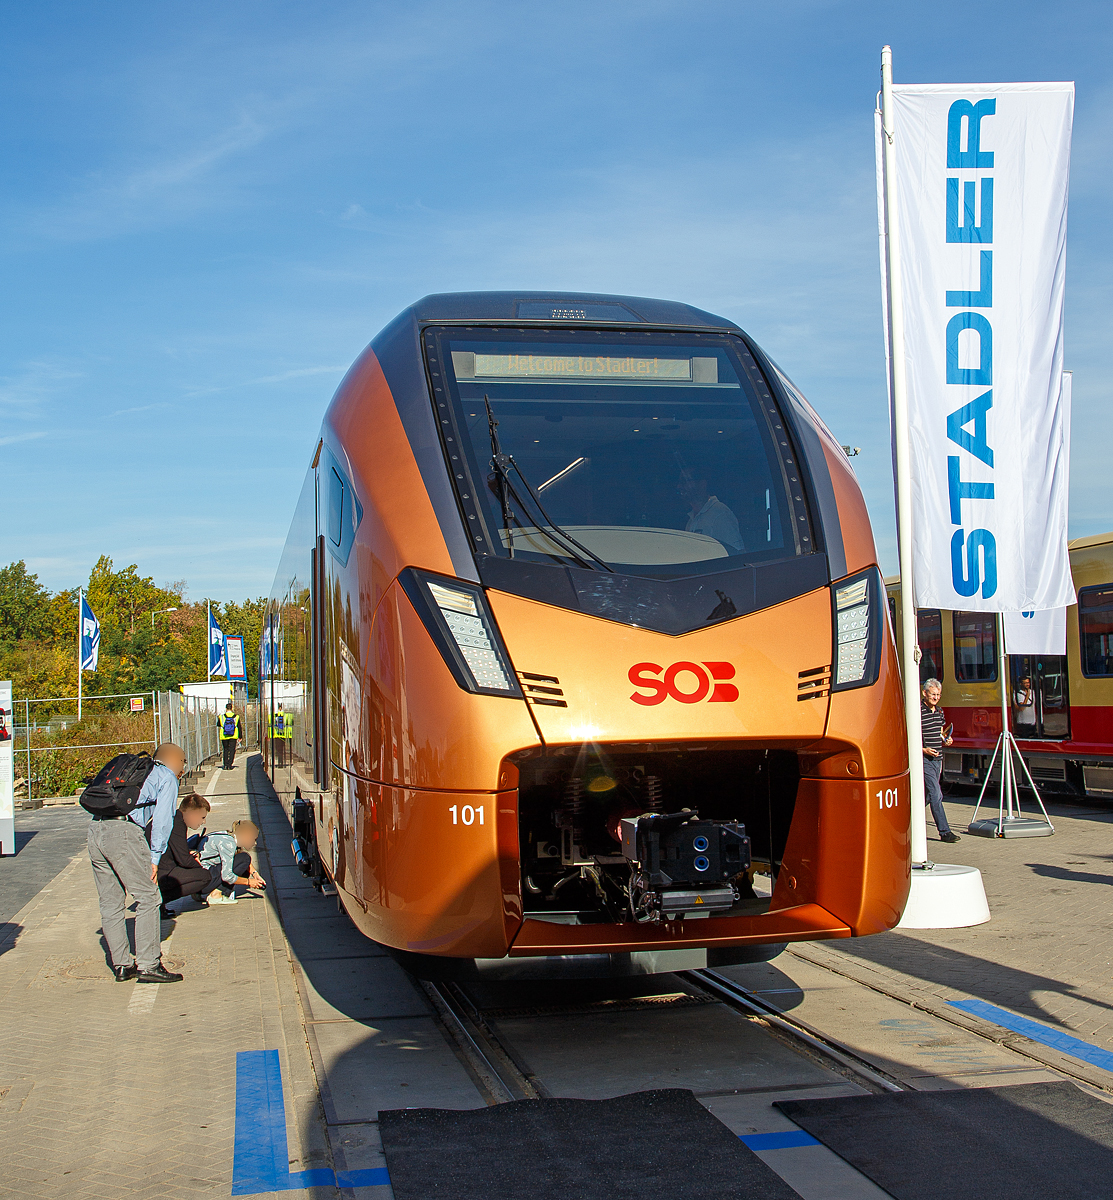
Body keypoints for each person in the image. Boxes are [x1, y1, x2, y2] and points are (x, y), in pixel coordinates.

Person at [87, 742, 186, 983]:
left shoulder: (134, 770)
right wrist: (154, 857)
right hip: (123, 832)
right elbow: (163, 820)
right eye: (182, 762)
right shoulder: (165, 776)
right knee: (149, 897)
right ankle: (149, 964)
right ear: (173, 760)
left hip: (95, 829)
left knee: (110, 902)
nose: (183, 769)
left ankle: (122, 965)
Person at [157, 793, 212, 918]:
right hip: (160, 873)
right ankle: (156, 901)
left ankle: (160, 906)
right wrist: (199, 867)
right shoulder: (177, 823)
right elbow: (184, 860)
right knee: (204, 876)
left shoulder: (174, 818)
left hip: (159, 868)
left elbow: (177, 851)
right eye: (202, 817)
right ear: (193, 813)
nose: (203, 822)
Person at [921, 679, 959, 844]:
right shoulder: (917, 711)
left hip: (938, 759)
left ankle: (905, 818)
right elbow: (908, 734)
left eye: (938, 695)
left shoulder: (940, 711)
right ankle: (945, 832)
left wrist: (947, 739)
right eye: (933, 694)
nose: (936, 698)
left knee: (929, 795)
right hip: (925, 759)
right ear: (925, 693)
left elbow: (941, 733)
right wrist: (923, 749)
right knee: (936, 794)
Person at [198, 819, 266, 905]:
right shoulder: (229, 844)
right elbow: (227, 876)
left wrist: (255, 873)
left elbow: (237, 858)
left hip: (198, 877)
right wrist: (249, 882)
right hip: (204, 880)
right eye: (254, 839)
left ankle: (197, 894)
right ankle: (216, 895)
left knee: (243, 861)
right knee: (244, 859)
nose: (255, 843)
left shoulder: (227, 836)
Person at [677, 471, 743, 554]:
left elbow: (736, 553)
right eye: (679, 482)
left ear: (702, 484)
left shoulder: (719, 513)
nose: (679, 486)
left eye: (685, 481)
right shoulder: (691, 520)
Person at [217, 701, 243, 770]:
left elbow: (218, 724)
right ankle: (230, 764)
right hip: (233, 735)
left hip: (224, 735)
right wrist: (240, 736)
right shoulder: (236, 717)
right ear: (232, 708)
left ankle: (225, 764)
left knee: (225, 749)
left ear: (226, 708)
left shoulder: (221, 716)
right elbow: (239, 727)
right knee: (232, 750)